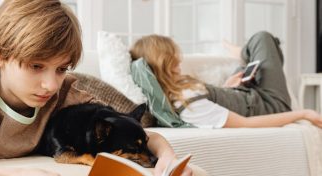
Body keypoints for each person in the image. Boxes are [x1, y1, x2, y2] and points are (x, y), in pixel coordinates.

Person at [0, 0, 220, 176]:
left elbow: (136, 132)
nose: (49, 84)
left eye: (61, 68)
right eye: (36, 66)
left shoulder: (63, 91)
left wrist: (166, 158)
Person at [129, 32, 322, 128]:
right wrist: (302, 114)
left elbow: (215, 104)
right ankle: (244, 52)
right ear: (162, 64)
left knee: (259, 54)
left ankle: (245, 55)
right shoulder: (187, 106)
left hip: (245, 93)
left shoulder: (179, 91)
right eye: (173, 60)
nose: (179, 61)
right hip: (271, 103)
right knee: (263, 39)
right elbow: (246, 124)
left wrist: (227, 88)